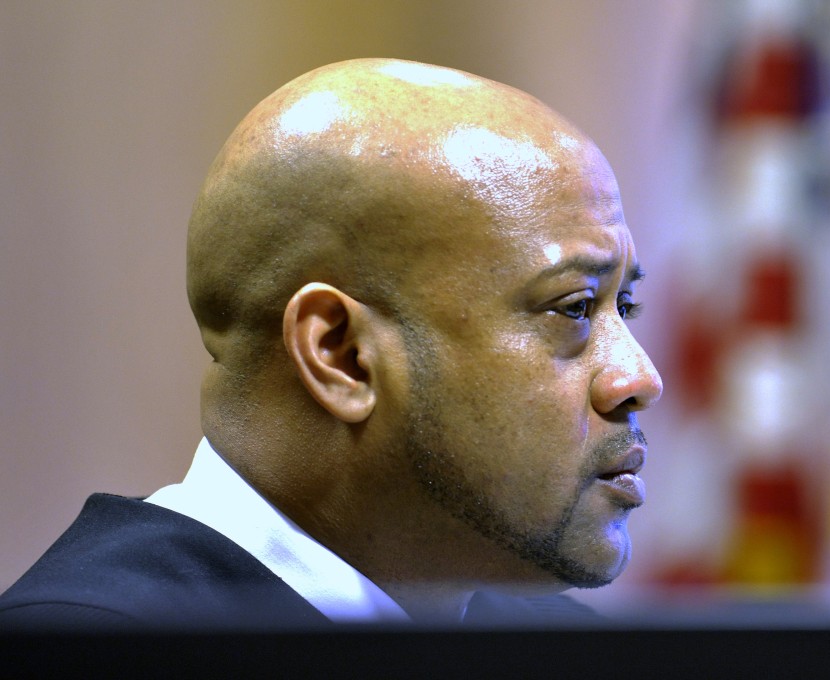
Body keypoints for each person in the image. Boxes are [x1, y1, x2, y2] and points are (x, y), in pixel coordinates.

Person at [0, 58, 662, 629]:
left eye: (623, 305)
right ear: (340, 354)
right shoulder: (86, 650)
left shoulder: (553, 645)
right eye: (574, 307)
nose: (640, 377)